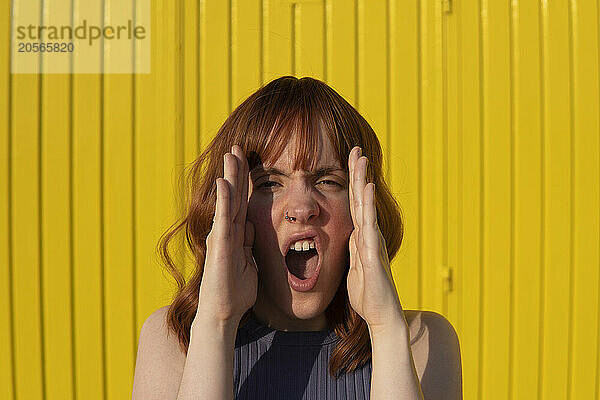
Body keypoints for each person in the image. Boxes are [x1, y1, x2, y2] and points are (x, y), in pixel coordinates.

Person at [131, 76, 462, 399]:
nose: (302, 208)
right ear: (229, 212)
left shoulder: (423, 342)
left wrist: (386, 331)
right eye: (270, 183)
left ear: (363, 208)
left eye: (328, 181)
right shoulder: (175, 341)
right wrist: (216, 323)